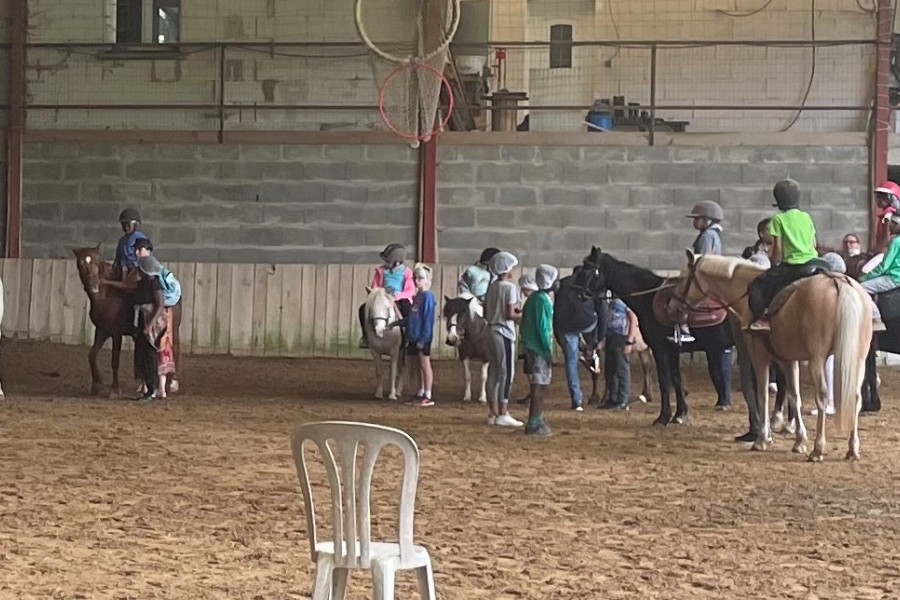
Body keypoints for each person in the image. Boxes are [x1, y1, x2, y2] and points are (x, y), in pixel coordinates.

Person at [747, 179, 820, 331]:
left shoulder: (778, 219)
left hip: (794, 266)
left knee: (756, 285)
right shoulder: (806, 216)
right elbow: (814, 244)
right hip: (815, 262)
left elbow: (778, 249)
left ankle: (762, 318)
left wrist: (773, 264)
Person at [553, 266, 608, 411]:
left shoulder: (563, 284)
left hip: (566, 327)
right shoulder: (593, 284)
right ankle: (591, 353)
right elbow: (602, 311)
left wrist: (559, 336)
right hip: (588, 324)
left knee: (571, 363)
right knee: (594, 354)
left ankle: (577, 401)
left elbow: (556, 311)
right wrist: (599, 338)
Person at [670, 201, 725, 345]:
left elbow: (702, 259)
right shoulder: (713, 234)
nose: (694, 222)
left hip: (703, 276)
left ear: (707, 220)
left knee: (681, 295)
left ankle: (684, 328)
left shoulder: (707, 236)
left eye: (697, 219)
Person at [484, 251, 523, 427]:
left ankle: (492, 412)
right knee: (506, 372)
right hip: (504, 332)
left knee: (493, 371)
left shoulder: (492, 286)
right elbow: (510, 313)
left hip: (490, 330)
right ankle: (503, 411)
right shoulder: (510, 288)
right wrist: (521, 315)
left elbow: (486, 311)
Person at [520, 265, 557, 436]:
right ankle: (534, 421)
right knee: (539, 385)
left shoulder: (533, 298)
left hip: (530, 345)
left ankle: (537, 417)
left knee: (538, 383)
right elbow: (543, 328)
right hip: (539, 347)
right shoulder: (543, 300)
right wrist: (547, 350)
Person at [358, 244, 415, 348]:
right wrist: (377, 292)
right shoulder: (381, 271)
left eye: (388, 261)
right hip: (383, 297)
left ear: (397, 261)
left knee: (407, 310)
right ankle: (366, 336)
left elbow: (410, 290)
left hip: (399, 298)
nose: (385, 263)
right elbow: (375, 285)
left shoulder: (407, 272)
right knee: (363, 309)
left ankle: (408, 337)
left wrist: (397, 295)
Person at [133, 255, 167, 402]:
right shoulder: (143, 283)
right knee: (142, 354)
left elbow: (160, 305)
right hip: (142, 319)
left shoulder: (155, 284)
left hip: (150, 321)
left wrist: (149, 325)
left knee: (150, 354)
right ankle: (147, 387)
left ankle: (152, 389)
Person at [859, 212, 900, 329]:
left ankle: (876, 319)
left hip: (894, 277)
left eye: (892, 223)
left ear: (898, 225)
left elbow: (884, 266)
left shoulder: (895, 242)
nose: (890, 226)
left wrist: (865, 277)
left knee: (862, 288)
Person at [404, 263, 437, 407]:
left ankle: (428, 394)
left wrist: (423, 339)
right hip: (414, 336)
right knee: (417, 366)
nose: (417, 281)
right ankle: (420, 391)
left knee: (425, 365)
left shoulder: (428, 296)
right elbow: (412, 317)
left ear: (427, 280)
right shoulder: (417, 297)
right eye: (415, 278)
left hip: (422, 337)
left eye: (420, 278)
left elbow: (427, 319)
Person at [601, 297, 633, 410]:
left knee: (621, 369)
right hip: (610, 336)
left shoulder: (626, 301)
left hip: (621, 336)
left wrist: (629, 340)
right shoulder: (611, 301)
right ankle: (612, 398)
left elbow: (632, 319)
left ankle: (623, 399)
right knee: (610, 369)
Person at [114, 208, 148, 280]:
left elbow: (145, 260)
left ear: (136, 225)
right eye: (123, 224)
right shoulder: (122, 240)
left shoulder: (141, 240)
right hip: (122, 271)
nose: (126, 227)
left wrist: (131, 266)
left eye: (128, 225)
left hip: (137, 271)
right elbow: (118, 258)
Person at [875, 180, 900, 249]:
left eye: (882, 197)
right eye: (878, 197)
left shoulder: (889, 215)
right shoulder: (886, 215)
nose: (878, 199)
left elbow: (886, 238)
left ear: (893, 198)